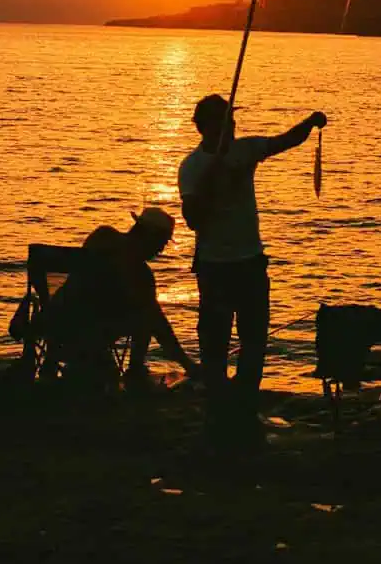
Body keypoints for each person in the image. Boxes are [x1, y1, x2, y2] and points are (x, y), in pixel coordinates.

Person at [178, 94, 326, 432]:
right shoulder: (192, 167)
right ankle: (216, 410)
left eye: (233, 121)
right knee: (214, 342)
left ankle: (244, 406)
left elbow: (286, 141)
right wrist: (212, 185)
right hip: (215, 266)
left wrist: (310, 121)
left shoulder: (245, 150)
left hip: (250, 264)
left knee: (254, 340)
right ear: (208, 127)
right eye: (227, 122)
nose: (233, 126)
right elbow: (192, 219)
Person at [75, 207, 200, 384]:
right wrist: (187, 364)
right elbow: (159, 325)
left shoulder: (102, 236)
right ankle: (135, 369)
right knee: (148, 316)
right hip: (94, 333)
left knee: (147, 312)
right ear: (149, 236)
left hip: (59, 320)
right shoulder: (141, 274)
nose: (161, 250)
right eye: (162, 242)